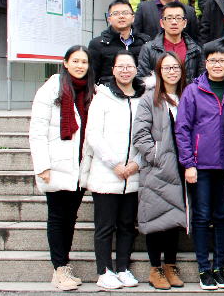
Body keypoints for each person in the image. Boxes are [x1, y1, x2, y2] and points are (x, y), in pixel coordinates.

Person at [28, 45, 95, 291]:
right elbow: (37, 131)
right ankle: (59, 269)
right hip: (56, 164)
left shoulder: (92, 91)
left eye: (84, 62)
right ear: (65, 63)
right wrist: (42, 166)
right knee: (57, 218)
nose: (80, 66)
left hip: (79, 166)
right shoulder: (50, 90)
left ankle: (63, 266)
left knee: (70, 218)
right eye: (75, 61)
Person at [176, 43, 224, 290]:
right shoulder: (193, 91)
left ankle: (219, 268)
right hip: (200, 166)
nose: (217, 65)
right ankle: (204, 269)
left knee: (222, 216)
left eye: (222, 61)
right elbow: (182, 129)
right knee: (201, 216)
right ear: (205, 63)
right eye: (212, 60)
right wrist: (188, 164)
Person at [84, 50, 143, 290]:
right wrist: (115, 164)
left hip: (133, 175)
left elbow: (148, 134)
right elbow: (93, 135)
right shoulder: (102, 97)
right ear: (113, 70)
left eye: (130, 66)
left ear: (136, 70)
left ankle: (122, 269)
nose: (125, 70)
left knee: (127, 226)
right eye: (121, 66)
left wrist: (136, 163)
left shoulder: (143, 98)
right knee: (105, 226)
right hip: (107, 174)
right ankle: (104, 271)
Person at [132, 52, 189, 290]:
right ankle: (155, 268)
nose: (172, 72)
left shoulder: (187, 95)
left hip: (181, 167)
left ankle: (170, 266)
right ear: (159, 71)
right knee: (155, 218)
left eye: (176, 67)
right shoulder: (149, 98)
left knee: (174, 218)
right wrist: (156, 156)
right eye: (166, 68)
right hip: (157, 168)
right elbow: (140, 134)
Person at [88, 0, 152, 86]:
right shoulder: (98, 44)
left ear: (133, 18)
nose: (121, 16)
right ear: (109, 19)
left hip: (139, 91)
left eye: (125, 13)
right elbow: (92, 79)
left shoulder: (146, 42)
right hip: (107, 92)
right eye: (116, 13)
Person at [137, 2, 205, 81]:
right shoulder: (149, 49)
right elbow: (142, 78)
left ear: (185, 23)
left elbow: (201, 79)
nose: (174, 22)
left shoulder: (195, 50)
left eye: (178, 18)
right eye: (169, 18)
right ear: (162, 23)